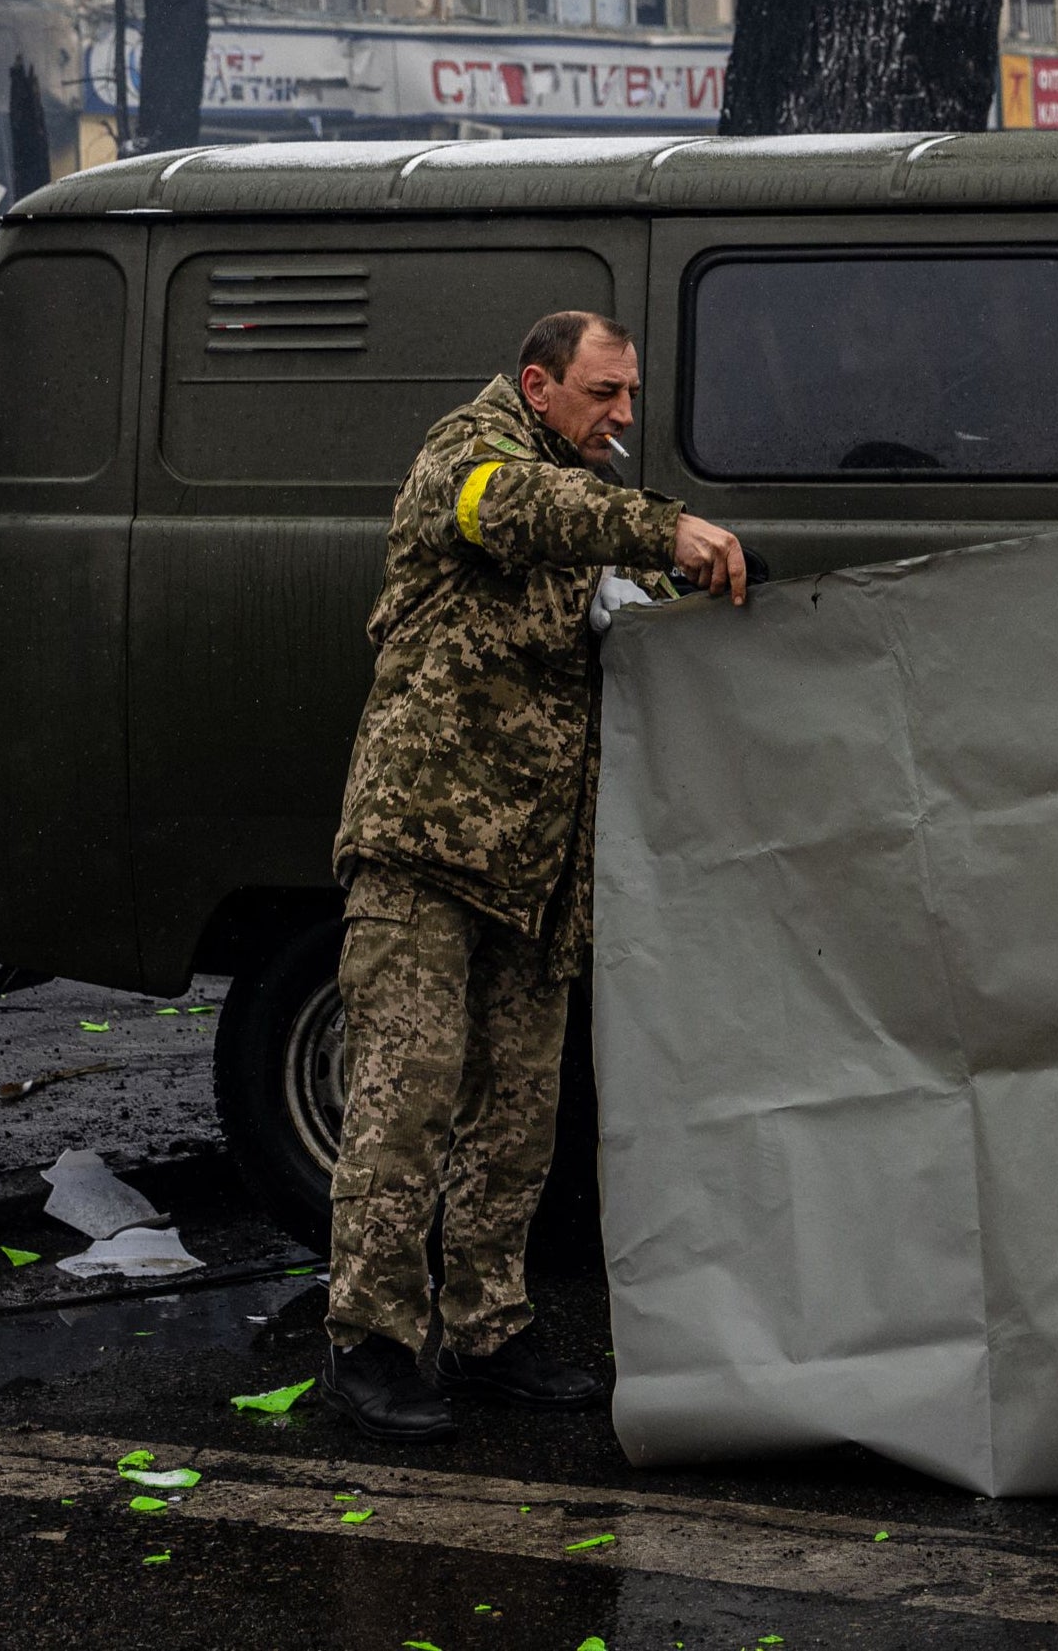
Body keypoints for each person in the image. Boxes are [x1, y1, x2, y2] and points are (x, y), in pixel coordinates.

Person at [316, 310, 749, 1443]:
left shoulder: (591, 501)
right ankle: (368, 1338)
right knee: (404, 1098)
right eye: (604, 392)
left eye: (628, 394)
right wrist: (669, 529)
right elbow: (515, 512)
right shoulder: (473, 456)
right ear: (539, 383)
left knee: (517, 1113)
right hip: (424, 845)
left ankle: (490, 1328)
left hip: (536, 866)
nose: (622, 414)